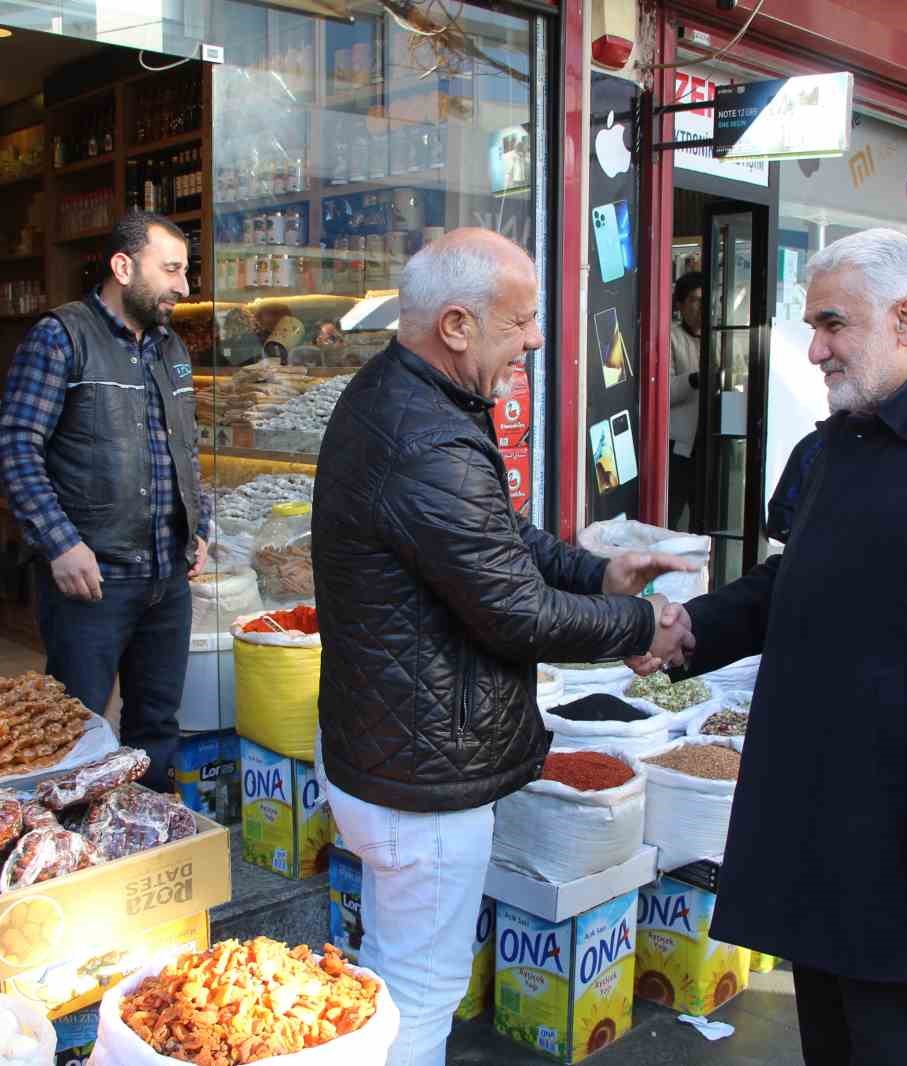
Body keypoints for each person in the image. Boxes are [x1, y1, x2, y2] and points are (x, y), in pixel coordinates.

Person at [652, 229, 907, 1065]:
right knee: (834, 1041)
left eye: (832, 324)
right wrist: (686, 631)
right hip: (816, 815)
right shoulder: (846, 440)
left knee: (897, 1042)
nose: (814, 349)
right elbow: (794, 583)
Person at [311, 228, 696, 1066]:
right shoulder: (427, 437)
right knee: (420, 990)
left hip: (390, 746)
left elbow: (497, 538)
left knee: (391, 967)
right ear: (455, 324)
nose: (534, 340)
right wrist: (643, 626)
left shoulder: (404, 395)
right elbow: (515, 612)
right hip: (421, 773)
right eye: (520, 321)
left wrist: (598, 574)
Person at [0, 212, 208, 793]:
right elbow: (15, 443)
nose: (183, 288)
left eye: (184, 272)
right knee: (74, 730)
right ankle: (74, 854)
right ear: (122, 266)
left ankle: (148, 839)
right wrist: (59, 543)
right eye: (170, 270)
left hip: (168, 576)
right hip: (93, 578)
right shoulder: (61, 336)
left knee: (157, 727)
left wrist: (200, 523)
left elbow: (185, 446)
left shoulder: (171, 348)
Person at [668, 272, 704, 529]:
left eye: (705, 300)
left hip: (714, 446)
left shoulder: (723, 336)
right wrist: (693, 380)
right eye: (694, 300)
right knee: (673, 511)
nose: (701, 307)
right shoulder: (671, 337)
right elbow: (661, 392)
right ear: (680, 305)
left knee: (706, 516)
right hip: (680, 445)